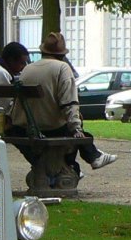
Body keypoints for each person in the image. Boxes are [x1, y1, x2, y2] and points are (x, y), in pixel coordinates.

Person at [9, 32, 117, 173]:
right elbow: (69, 103)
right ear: (62, 54)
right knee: (81, 135)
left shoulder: (28, 68)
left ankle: (79, 166)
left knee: (75, 132)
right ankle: (85, 161)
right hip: (48, 128)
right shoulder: (62, 68)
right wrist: (76, 128)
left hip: (22, 128)